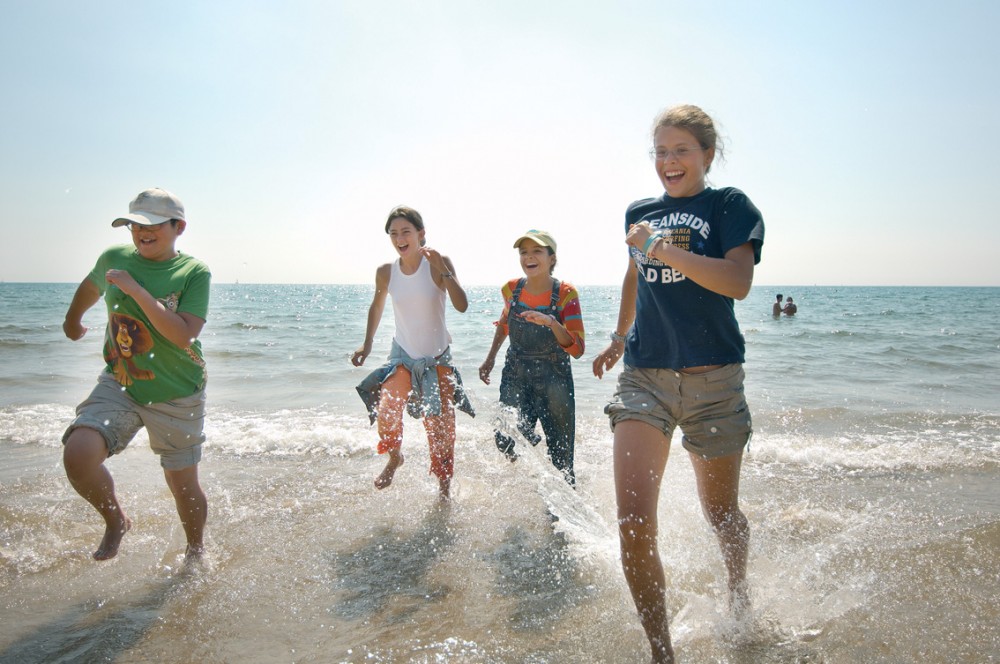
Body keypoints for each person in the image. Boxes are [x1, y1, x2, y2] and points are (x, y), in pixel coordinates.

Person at [592, 105, 764, 663]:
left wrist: (661, 248)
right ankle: (662, 653)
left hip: (715, 378)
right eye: (661, 151)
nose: (669, 161)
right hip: (646, 376)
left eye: (681, 150)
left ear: (707, 154)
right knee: (635, 522)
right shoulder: (639, 212)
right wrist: (620, 335)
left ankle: (739, 595)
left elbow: (737, 282)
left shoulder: (728, 206)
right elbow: (633, 275)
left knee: (721, 513)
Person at [61, 187, 211, 562]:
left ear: (179, 227)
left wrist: (136, 290)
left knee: (182, 484)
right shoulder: (114, 257)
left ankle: (196, 551)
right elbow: (92, 284)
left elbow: (182, 333)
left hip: (177, 391)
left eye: (152, 225)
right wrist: (72, 320)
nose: (140, 232)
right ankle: (115, 521)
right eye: (133, 225)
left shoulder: (193, 272)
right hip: (121, 381)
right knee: (78, 455)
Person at [353, 206, 473, 498]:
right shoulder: (386, 272)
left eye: (406, 231)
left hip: (437, 359)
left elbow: (462, 304)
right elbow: (377, 307)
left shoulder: (438, 263)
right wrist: (367, 344)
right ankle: (395, 457)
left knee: (441, 429)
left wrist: (442, 270)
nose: (399, 238)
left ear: (421, 234)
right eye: (393, 233)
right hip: (402, 357)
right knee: (387, 408)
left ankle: (444, 490)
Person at [478, 230, 585, 485]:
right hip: (516, 374)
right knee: (505, 439)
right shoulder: (511, 289)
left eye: (537, 251)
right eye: (524, 252)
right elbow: (505, 323)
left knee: (562, 460)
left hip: (554, 378)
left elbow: (578, 348)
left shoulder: (567, 294)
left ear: (551, 258)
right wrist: (490, 358)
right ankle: (535, 477)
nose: (529, 257)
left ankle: (563, 517)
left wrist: (551, 323)